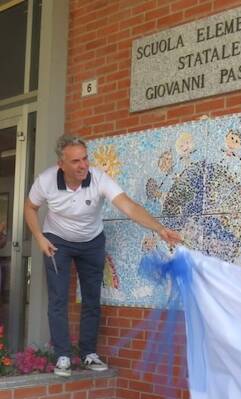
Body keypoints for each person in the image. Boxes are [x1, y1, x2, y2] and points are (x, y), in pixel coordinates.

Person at [24, 134, 181, 377]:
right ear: (61, 164)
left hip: (91, 243)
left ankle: (88, 353)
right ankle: (63, 355)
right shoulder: (45, 181)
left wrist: (159, 229)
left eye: (85, 159)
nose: (83, 165)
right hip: (57, 242)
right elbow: (30, 208)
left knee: (91, 299)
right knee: (58, 298)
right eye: (75, 161)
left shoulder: (98, 179)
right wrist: (39, 237)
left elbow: (128, 206)